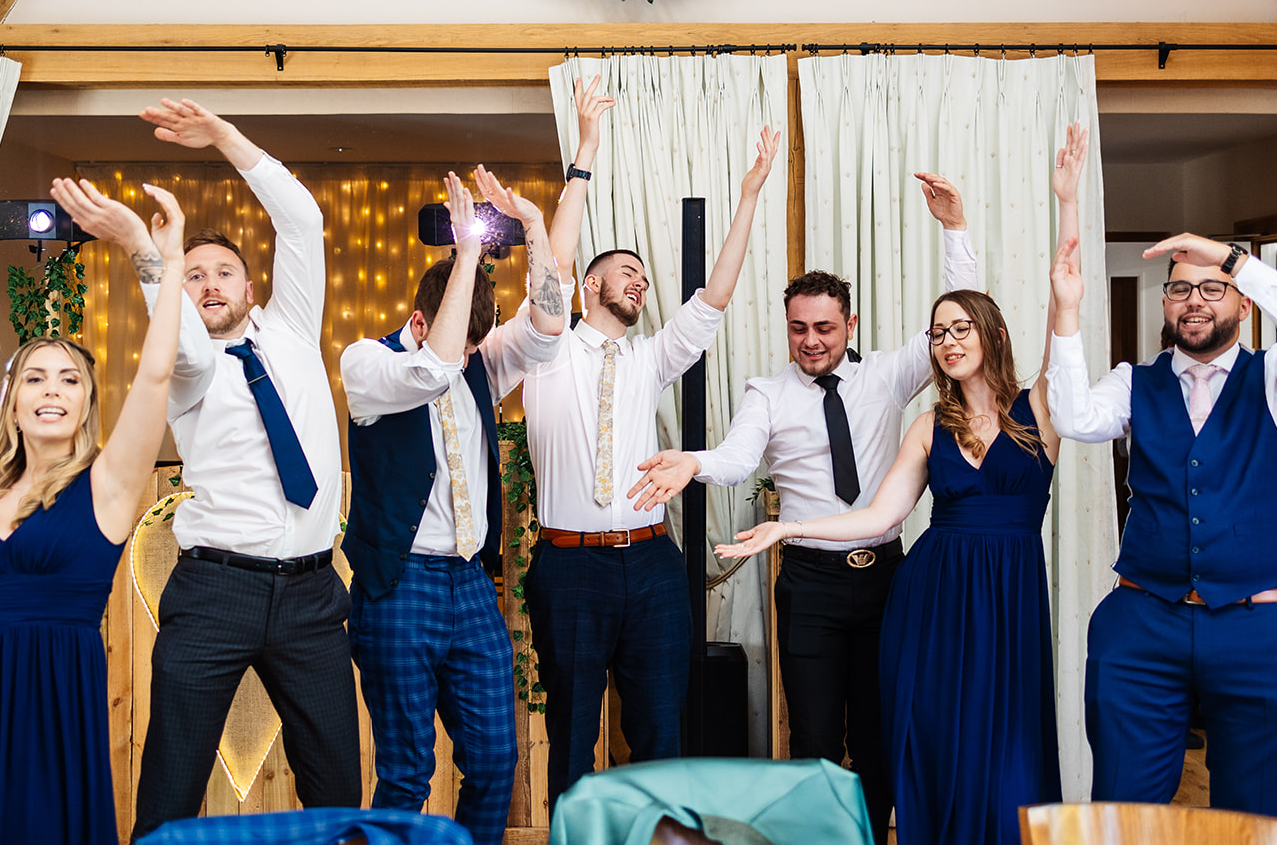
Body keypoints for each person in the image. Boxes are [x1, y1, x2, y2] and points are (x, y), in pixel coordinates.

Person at [631, 154, 985, 843]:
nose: (812, 341)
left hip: (887, 578)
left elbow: (961, 314)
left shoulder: (889, 374)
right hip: (812, 587)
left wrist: (955, 227)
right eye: (799, 328)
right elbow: (736, 458)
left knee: (881, 731)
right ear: (787, 325)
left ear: (849, 324)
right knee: (818, 736)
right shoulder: (768, 392)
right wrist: (693, 461)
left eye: (824, 327)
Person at [514, 75, 782, 803]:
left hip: (654, 563)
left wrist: (750, 194)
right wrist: (587, 154)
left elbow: (714, 297)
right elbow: (551, 270)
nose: (638, 281)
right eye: (623, 272)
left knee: (662, 729)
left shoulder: (650, 358)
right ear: (586, 287)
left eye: (642, 275)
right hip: (570, 570)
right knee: (570, 731)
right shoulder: (545, 348)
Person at [717, 285, 1064, 845]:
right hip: (932, 599)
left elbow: (1061, 340)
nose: (947, 342)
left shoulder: (1041, 407)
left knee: (1007, 737)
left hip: (1008, 597)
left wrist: (1064, 252)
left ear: (994, 334)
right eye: (938, 333)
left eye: (961, 329)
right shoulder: (928, 426)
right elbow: (879, 515)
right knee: (934, 737)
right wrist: (791, 527)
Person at [0, 179, 185, 844]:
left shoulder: (107, 481)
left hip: (48, 708)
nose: (52, 390)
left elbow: (159, 373)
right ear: (11, 400)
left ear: (86, 402)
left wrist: (162, 265)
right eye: (35, 377)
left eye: (70, 379)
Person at [1047, 217, 1277, 817]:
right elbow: (1074, 418)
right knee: (1123, 815)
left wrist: (1230, 259)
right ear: (1166, 303)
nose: (1195, 301)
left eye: (1212, 288)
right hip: (1143, 624)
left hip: (1263, 626)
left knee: (1253, 820)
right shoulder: (1135, 382)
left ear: (1242, 301)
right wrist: (1067, 312)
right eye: (1181, 288)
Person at [127, 100, 359, 838]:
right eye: (193, 277)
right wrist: (158, 264)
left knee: (336, 789)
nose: (210, 283)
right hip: (213, 593)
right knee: (170, 783)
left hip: (313, 595)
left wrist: (226, 138)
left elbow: (301, 223)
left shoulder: (292, 329)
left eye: (223, 271)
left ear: (251, 287)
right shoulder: (189, 362)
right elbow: (175, 329)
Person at [341, 167, 566, 845]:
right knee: (407, 770)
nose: (470, 356)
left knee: (498, 758)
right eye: (464, 340)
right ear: (418, 318)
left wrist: (530, 227)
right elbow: (430, 368)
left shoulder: (478, 361)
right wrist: (468, 247)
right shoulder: (368, 364)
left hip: (469, 581)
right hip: (399, 580)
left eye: (477, 343)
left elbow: (550, 326)